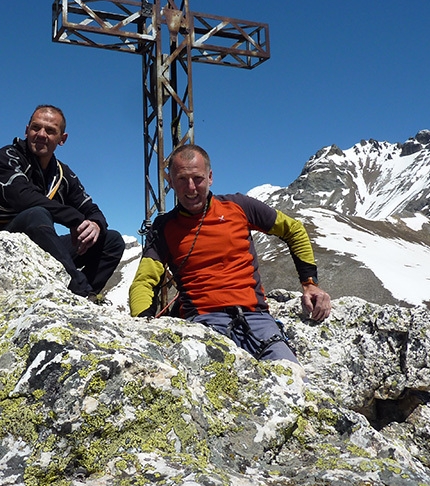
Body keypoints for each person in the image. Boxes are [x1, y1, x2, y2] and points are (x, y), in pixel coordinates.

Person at [129, 144, 331, 364]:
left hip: (257, 318)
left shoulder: (238, 206)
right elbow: (144, 282)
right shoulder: (164, 227)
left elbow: (294, 230)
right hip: (203, 324)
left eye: (197, 178)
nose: (191, 188)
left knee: (292, 381)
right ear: (170, 182)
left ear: (210, 177)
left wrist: (310, 283)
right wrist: (144, 325)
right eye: (181, 179)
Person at [0, 104, 125, 300]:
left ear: (62, 139)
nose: (41, 134)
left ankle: (79, 296)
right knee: (36, 213)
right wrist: (76, 220)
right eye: (36, 128)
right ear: (27, 130)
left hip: (39, 245)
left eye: (51, 131)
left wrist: (94, 224)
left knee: (111, 241)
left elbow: (91, 209)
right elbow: (24, 197)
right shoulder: (8, 157)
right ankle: (80, 289)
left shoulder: (63, 174)